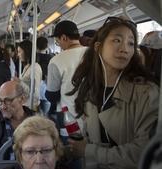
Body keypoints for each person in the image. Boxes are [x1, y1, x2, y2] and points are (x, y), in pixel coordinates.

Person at [66, 16, 159, 169]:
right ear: (97, 47)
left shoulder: (146, 92)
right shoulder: (90, 88)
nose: (125, 48)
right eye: (117, 40)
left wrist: (89, 151)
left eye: (131, 43)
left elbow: (145, 152)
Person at [0, 80, 35, 169]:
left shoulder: (37, 121)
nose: (3, 106)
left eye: (8, 101)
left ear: (22, 99)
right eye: (0, 101)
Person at [46, 20, 87, 126]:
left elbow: (52, 95)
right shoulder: (94, 53)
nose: (58, 44)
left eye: (57, 41)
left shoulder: (56, 60)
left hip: (69, 116)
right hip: (93, 114)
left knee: (70, 142)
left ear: (64, 37)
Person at [17, 40, 42, 110]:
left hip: (31, 107)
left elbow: (35, 94)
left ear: (26, 51)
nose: (18, 55)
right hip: (25, 105)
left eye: (19, 52)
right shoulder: (27, 66)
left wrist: (19, 82)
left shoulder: (35, 68)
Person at [36, 36, 53, 115]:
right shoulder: (51, 58)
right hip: (46, 88)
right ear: (47, 46)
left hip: (35, 89)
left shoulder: (33, 58)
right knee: (46, 116)